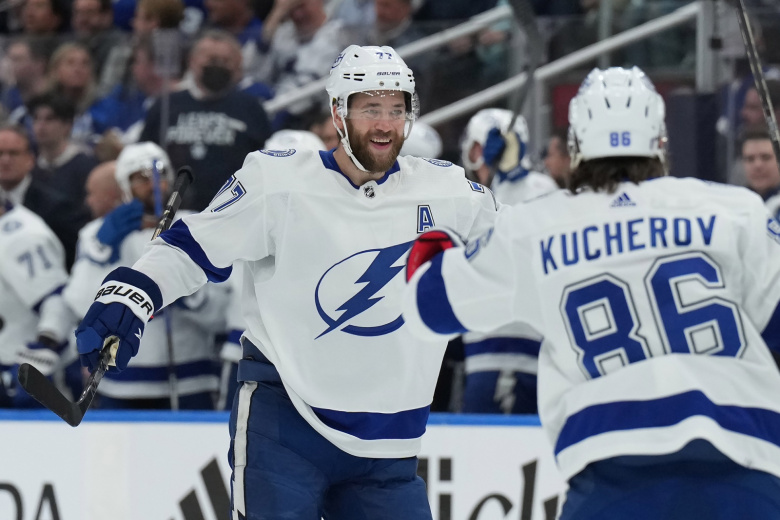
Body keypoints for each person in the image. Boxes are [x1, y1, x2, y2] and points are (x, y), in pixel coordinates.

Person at [75, 44, 499, 518]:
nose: (385, 124)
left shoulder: (450, 194)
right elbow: (192, 246)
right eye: (370, 109)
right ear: (338, 113)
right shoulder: (277, 181)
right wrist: (131, 295)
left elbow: (522, 250)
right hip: (284, 427)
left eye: (396, 110)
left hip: (389, 448)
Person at [403, 66, 780, 519]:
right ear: (661, 141)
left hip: (611, 475)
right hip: (748, 461)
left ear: (576, 145)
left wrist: (439, 235)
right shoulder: (734, 209)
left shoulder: (534, 227)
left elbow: (429, 306)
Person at [458, 107, 557, 414]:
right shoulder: (473, 194)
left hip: (516, 351)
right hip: (481, 350)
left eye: (480, 148)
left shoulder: (538, 189)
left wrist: (511, 173)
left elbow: (520, 244)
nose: (476, 157)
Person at [139, 30, 271, 211]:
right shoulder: (166, 105)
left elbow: (265, 160)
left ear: (237, 65)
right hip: (173, 210)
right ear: (192, 61)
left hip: (232, 210)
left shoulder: (250, 107)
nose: (218, 66)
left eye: (226, 61)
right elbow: (144, 154)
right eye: (211, 59)